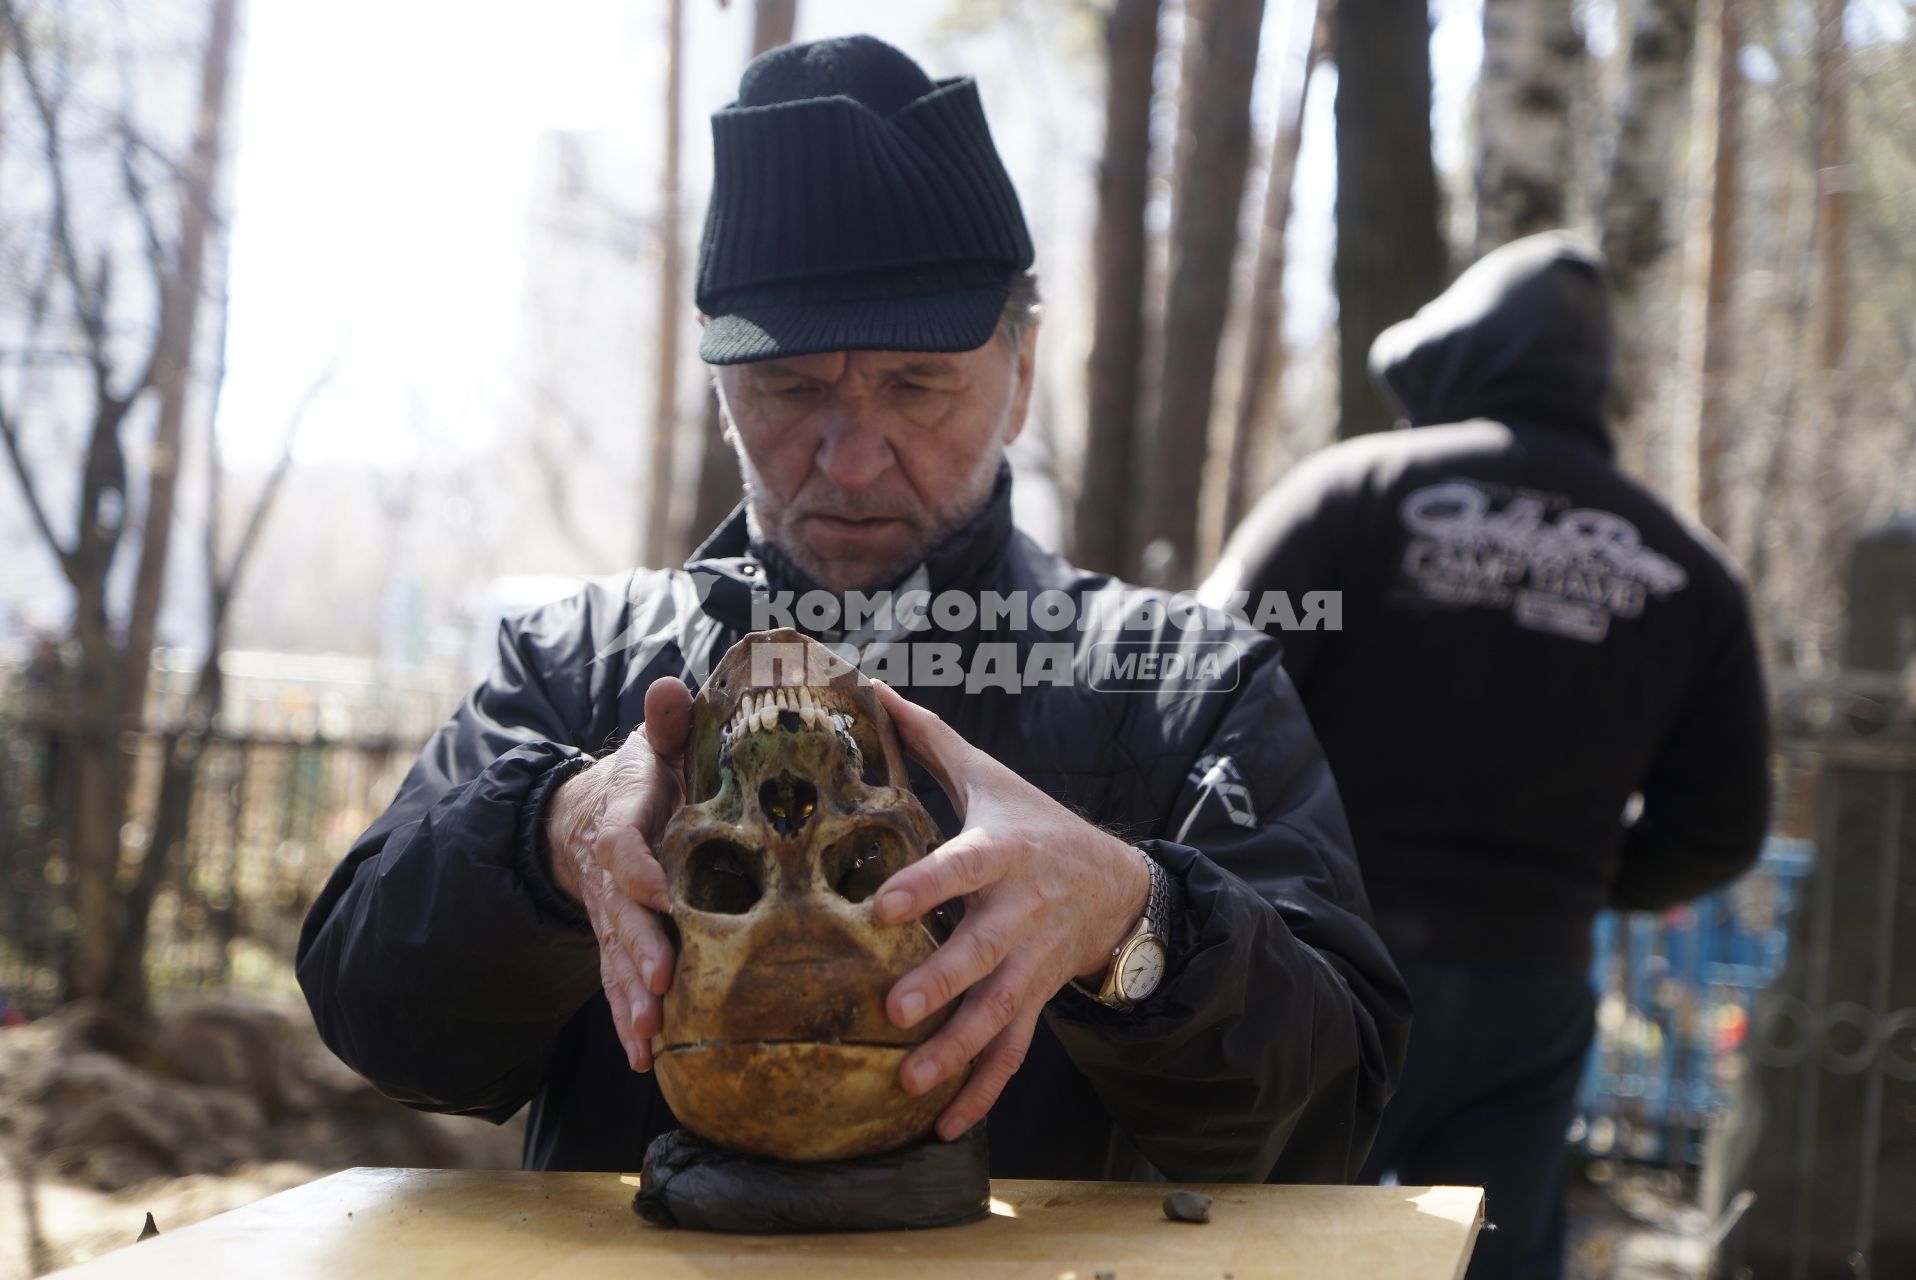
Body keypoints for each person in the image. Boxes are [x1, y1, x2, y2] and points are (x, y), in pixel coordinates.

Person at [297, 35, 1408, 1184]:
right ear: (723, 391)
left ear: (1019, 373)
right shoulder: (578, 666)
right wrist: (542, 839)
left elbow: (1327, 1108)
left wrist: (1137, 921)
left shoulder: (1180, 685)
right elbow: (382, 1028)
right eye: (789, 388)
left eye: (918, 384)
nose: (853, 454)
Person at [1201, 232, 1771, 1276]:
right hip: (1529, 986)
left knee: (1269, 1253)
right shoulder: (1689, 572)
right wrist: (1574, 882)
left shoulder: (1349, 491)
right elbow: (1723, 825)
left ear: (1456, 358)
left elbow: (1196, 693)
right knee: (1494, 1258)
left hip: (1318, 971)